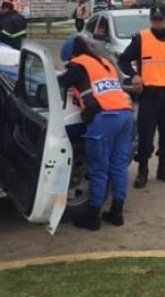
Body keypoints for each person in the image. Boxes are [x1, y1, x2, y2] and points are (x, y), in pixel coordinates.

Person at [58, 36, 133, 231]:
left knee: (98, 169)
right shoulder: (104, 62)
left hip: (105, 119)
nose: (68, 64)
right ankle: (117, 213)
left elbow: (59, 83)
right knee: (118, 167)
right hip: (125, 115)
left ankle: (93, 218)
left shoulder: (77, 65)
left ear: (71, 55)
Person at [117, 5, 165, 189]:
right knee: (146, 135)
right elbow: (123, 60)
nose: (158, 23)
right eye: (155, 20)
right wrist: (134, 76)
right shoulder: (141, 38)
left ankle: (163, 168)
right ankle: (143, 170)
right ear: (151, 21)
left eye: (161, 20)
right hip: (149, 94)